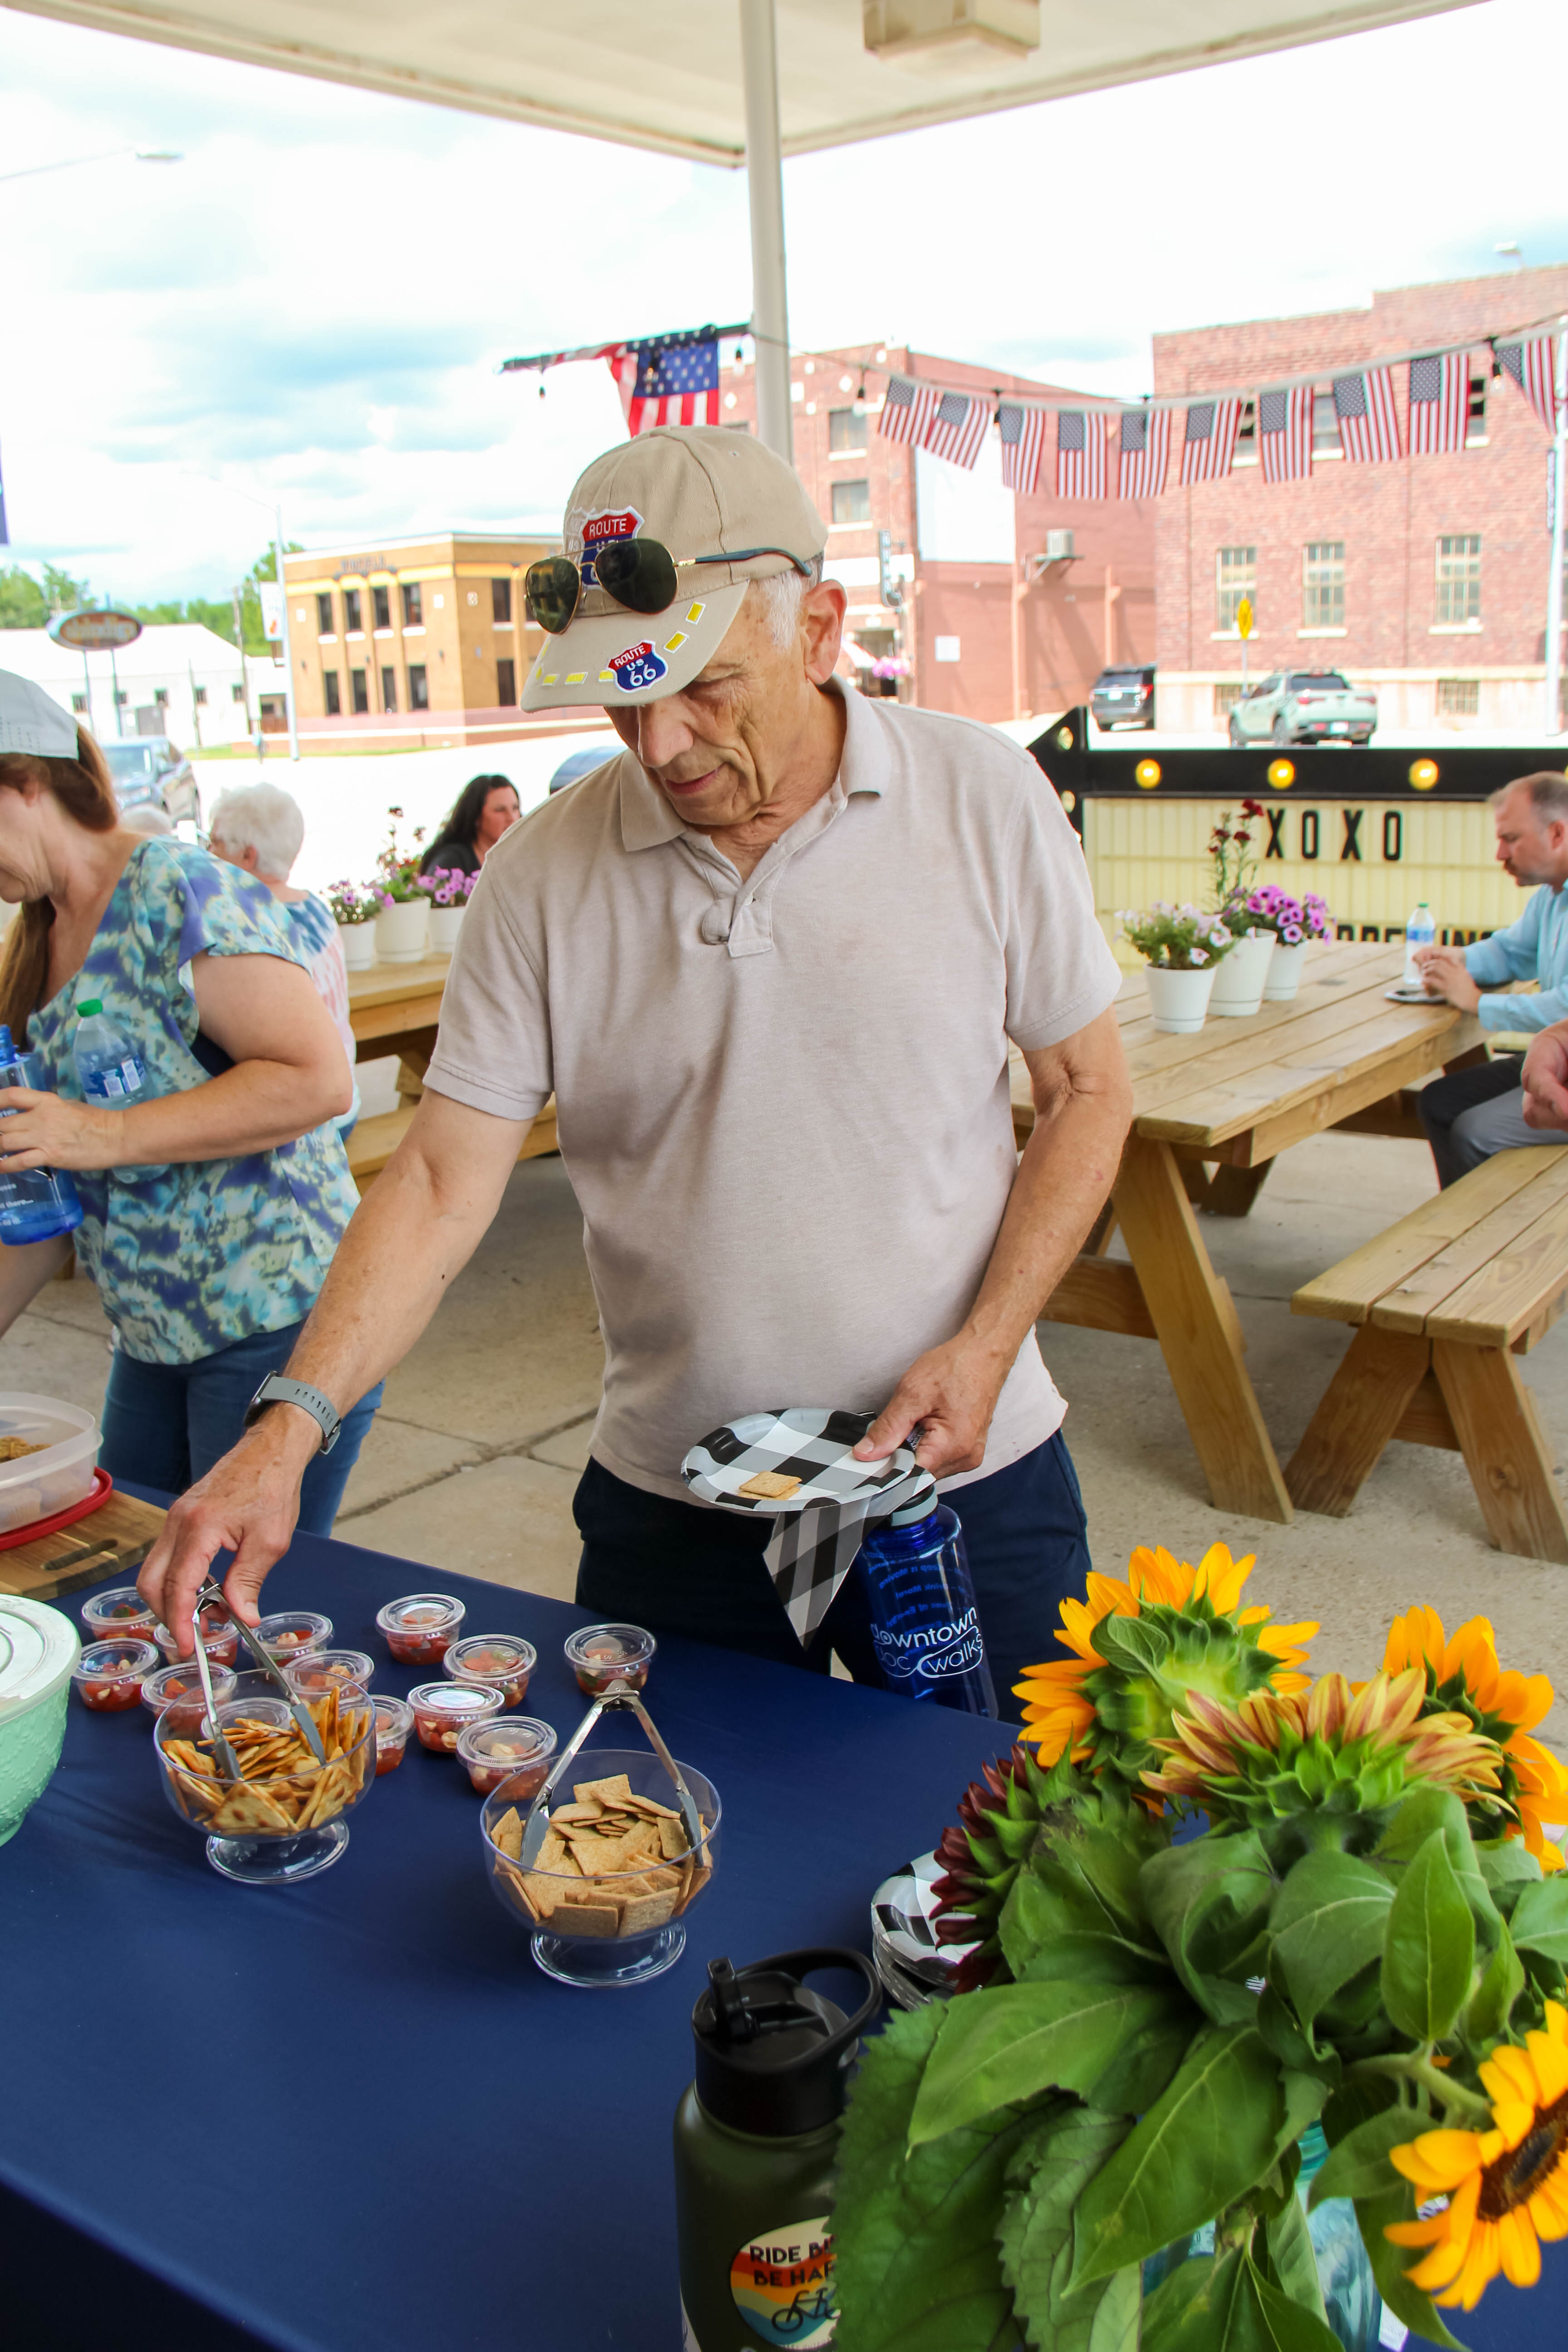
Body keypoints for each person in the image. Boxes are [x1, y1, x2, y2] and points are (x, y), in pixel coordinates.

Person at [138, 426, 1132, 1705]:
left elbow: (1090, 1091)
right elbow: (443, 1179)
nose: (660, 746)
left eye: (705, 686)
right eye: (622, 696)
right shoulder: (543, 872)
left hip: (961, 1473)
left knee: (1019, 1851)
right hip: (677, 1504)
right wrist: (287, 1430)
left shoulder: (985, 798)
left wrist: (991, 1343)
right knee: (655, 1855)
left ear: (821, 628)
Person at [0, 671, 381, 1539]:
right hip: (153, 1335)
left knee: (232, 1599)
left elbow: (318, 1077)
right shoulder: (36, 940)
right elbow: (48, 1185)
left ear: (25, 781)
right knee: (123, 1568)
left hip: (273, 1318)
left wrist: (106, 1131)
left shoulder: (173, 887)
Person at [1415, 771, 1568, 1186]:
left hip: (1562, 1073)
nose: (1499, 853)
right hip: (1555, 1061)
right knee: (1439, 1100)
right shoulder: (1552, 896)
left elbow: (1565, 1010)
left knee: (1476, 1132)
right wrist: (1455, 960)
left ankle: (1499, 1245)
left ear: (1557, 833)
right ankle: (1461, 1227)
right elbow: (1511, 952)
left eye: (1511, 838)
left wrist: (1477, 1002)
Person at [206, 782, 359, 1141]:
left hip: (315, 1122)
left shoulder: (252, 928)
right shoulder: (314, 906)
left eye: (214, 843)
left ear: (247, 855)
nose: (207, 854)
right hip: (346, 1099)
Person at [418, 774, 520, 877]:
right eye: (500, 810)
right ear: (476, 817)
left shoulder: (522, 856)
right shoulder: (451, 861)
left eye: (515, 808)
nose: (511, 818)